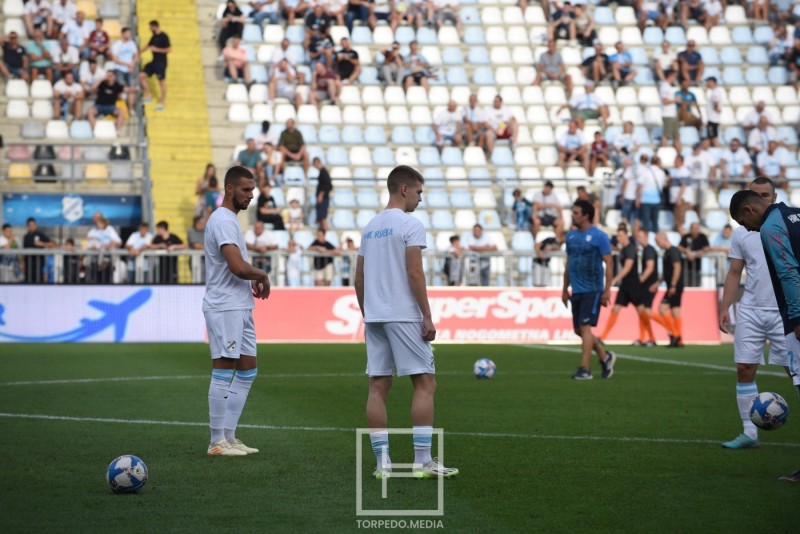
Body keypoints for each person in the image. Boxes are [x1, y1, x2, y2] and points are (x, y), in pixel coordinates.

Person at [355, 164, 459, 480]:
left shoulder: (370, 227)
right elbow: (415, 272)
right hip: (402, 313)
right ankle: (422, 460)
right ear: (404, 189)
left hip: (375, 315)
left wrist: (368, 313)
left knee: (377, 387)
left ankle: (382, 463)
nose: (420, 198)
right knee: (425, 383)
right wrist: (426, 315)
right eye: (418, 191)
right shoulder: (410, 224)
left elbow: (358, 279)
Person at [729, 188, 800, 482]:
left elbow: (788, 273)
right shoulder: (794, 214)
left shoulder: (771, 227)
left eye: (743, 222)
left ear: (749, 210)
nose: (747, 229)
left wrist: (797, 317)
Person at [203, 165, 270, 457]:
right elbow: (237, 267)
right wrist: (261, 274)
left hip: (239, 304)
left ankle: (229, 436)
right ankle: (216, 442)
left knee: (247, 371)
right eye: (245, 189)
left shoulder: (230, 220)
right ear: (229, 189)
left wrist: (251, 279)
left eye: (252, 190)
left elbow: (239, 268)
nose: (251, 195)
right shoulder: (221, 220)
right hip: (225, 306)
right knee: (224, 369)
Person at [562, 199, 615, 380]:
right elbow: (569, 263)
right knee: (579, 330)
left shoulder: (599, 236)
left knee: (585, 328)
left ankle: (585, 369)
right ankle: (604, 357)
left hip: (592, 290)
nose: (573, 215)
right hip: (576, 290)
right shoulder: (571, 236)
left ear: (586, 216)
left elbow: (609, 263)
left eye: (576, 213)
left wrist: (607, 290)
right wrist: (564, 288)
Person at [598, 227, 640, 343]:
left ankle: (656, 335)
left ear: (627, 235)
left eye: (620, 236)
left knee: (643, 312)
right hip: (625, 285)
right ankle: (603, 336)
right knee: (615, 309)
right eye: (617, 236)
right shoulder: (624, 249)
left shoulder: (630, 249)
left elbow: (627, 267)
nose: (618, 238)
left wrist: (614, 280)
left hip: (633, 285)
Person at [650, 231, 684, 347]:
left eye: (657, 241)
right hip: (673, 285)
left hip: (675, 286)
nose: (657, 244)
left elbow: (677, 267)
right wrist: (658, 283)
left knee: (662, 308)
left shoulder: (673, 251)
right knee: (675, 310)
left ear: (663, 239)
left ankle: (675, 334)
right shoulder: (667, 252)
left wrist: (673, 285)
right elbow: (667, 272)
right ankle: (678, 339)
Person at [634, 227, 659, 346]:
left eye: (640, 236)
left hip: (649, 285)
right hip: (646, 285)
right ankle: (645, 338)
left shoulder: (649, 250)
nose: (638, 238)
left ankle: (672, 330)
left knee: (647, 311)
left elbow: (650, 267)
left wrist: (641, 279)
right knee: (642, 311)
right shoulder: (645, 250)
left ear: (646, 236)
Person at [139, 20, 171, 111]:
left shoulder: (164, 36)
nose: (150, 29)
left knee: (161, 82)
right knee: (141, 76)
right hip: (154, 62)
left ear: (154, 26)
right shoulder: (154, 36)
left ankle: (162, 103)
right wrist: (138, 53)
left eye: (150, 27)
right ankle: (148, 96)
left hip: (161, 63)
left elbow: (169, 49)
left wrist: (157, 49)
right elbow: (148, 46)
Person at [636, 153, 664, 233]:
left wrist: (638, 198)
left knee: (646, 223)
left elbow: (640, 186)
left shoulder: (645, 172)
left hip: (645, 200)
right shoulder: (661, 173)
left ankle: (646, 238)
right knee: (655, 222)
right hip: (656, 200)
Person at [22, 217, 55, 283]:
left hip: (39, 264)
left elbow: (52, 244)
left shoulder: (40, 234)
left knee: (38, 282)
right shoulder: (26, 237)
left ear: (36, 225)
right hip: (28, 265)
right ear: (27, 226)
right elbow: (23, 252)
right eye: (30, 225)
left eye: (33, 225)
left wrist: (42, 244)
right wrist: (23, 264)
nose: (32, 227)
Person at [679, 222, 709, 287]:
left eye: (697, 228)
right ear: (690, 229)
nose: (696, 230)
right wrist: (687, 251)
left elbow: (707, 248)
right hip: (686, 267)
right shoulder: (686, 236)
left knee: (696, 286)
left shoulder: (702, 237)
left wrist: (698, 253)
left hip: (697, 268)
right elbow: (679, 247)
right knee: (686, 286)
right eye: (694, 228)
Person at [659, 69, 680, 150]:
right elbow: (665, 101)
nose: (675, 78)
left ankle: (678, 153)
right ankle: (664, 151)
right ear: (670, 76)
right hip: (667, 114)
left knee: (676, 135)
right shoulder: (665, 86)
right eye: (674, 76)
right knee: (666, 135)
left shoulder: (668, 86)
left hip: (672, 114)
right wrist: (675, 100)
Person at [314, 158, 332, 231]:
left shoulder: (323, 172)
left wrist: (321, 194)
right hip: (323, 198)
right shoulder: (322, 172)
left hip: (323, 198)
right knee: (321, 218)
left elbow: (328, 185)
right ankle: (323, 230)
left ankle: (326, 230)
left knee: (323, 217)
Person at [704, 76, 723, 147]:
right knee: (713, 136)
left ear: (712, 82)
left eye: (708, 82)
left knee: (713, 137)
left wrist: (716, 108)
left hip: (713, 118)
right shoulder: (716, 91)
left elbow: (716, 101)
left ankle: (717, 148)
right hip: (713, 118)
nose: (707, 84)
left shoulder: (715, 92)